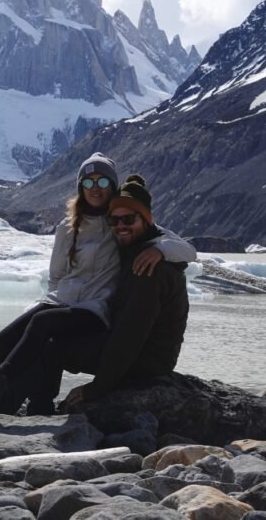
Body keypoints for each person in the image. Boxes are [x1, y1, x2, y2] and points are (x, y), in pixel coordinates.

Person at [0, 154, 195, 417]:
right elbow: (56, 275)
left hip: (95, 308)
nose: (95, 187)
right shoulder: (69, 227)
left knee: (42, 326)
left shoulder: (119, 219)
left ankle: (0, 384)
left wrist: (160, 250)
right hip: (63, 301)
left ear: (112, 186)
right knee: (3, 341)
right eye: (89, 181)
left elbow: (184, 248)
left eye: (103, 181)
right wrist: (55, 300)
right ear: (80, 187)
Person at [54, 174, 191, 408]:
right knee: (52, 335)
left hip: (148, 361)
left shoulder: (148, 268)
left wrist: (99, 387)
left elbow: (131, 333)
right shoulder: (136, 251)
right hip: (144, 353)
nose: (120, 227)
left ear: (146, 221)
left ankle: (37, 411)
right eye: (114, 221)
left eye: (128, 219)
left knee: (53, 347)